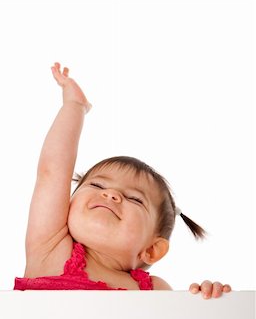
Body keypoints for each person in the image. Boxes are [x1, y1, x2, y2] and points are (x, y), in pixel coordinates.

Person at [14, 62, 232, 299]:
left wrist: (208, 300)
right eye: (97, 185)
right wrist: (74, 106)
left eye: (134, 199)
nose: (111, 194)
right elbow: (52, 171)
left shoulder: (154, 290)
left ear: (151, 250)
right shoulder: (50, 247)